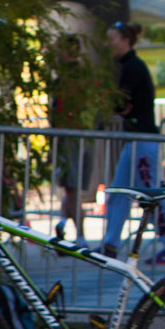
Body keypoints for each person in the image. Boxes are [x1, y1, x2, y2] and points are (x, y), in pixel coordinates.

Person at [100, 22, 165, 263]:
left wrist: (110, 108)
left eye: (112, 39)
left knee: (150, 191)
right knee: (118, 190)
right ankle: (110, 243)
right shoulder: (128, 66)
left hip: (143, 139)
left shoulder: (133, 67)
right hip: (135, 139)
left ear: (125, 40)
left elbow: (121, 104)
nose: (108, 44)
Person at [50, 35, 97, 247]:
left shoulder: (66, 80)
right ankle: (63, 223)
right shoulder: (87, 77)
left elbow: (58, 113)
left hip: (72, 137)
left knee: (72, 189)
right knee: (71, 189)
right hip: (86, 136)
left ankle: (80, 236)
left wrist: (55, 139)